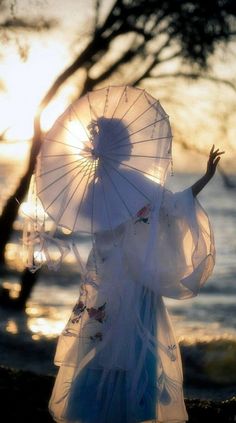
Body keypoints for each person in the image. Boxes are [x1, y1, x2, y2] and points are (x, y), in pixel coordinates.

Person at [47, 131, 224, 423]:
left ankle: (93, 409)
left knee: (105, 341)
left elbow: (100, 231)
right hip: (133, 278)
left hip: (108, 276)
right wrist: (205, 177)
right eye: (126, 143)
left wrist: (205, 177)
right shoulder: (132, 185)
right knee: (127, 341)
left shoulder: (94, 189)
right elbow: (175, 208)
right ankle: (129, 409)